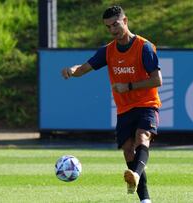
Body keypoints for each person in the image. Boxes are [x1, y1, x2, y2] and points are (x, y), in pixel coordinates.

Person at [61, 5, 161, 203]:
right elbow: (84, 68)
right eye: (108, 27)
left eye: (115, 24)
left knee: (143, 136)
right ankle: (145, 200)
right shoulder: (108, 51)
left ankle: (138, 177)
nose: (113, 30)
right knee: (127, 150)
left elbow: (157, 80)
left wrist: (129, 86)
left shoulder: (144, 47)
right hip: (124, 109)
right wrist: (72, 70)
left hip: (146, 103)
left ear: (125, 21)